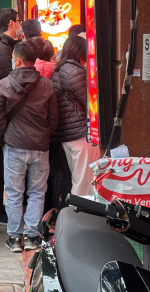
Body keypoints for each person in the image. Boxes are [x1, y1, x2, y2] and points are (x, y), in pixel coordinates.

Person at [0, 41, 58, 253]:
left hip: (14, 145)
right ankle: (32, 237)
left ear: (17, 60)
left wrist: (1, 139)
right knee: (37, 193)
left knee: (14, 194)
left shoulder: (4, 84)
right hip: (40, 146)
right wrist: (43, 136)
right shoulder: (47, 84)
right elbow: (53, 118)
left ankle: (13, 238)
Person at [51, 36, 98, 196]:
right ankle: (79, 218)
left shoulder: (59, 70)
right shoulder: (75, 72)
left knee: (77, 179)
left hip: (68, 133)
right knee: (84, 184)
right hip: (79, 133)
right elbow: (91, 103)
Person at [0, 7, 21, 226]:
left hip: (1, 114)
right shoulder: (2, 49)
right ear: (11, 23)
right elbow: (5, 84)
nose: (20, 25)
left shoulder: (4, 46)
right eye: (18, 21)